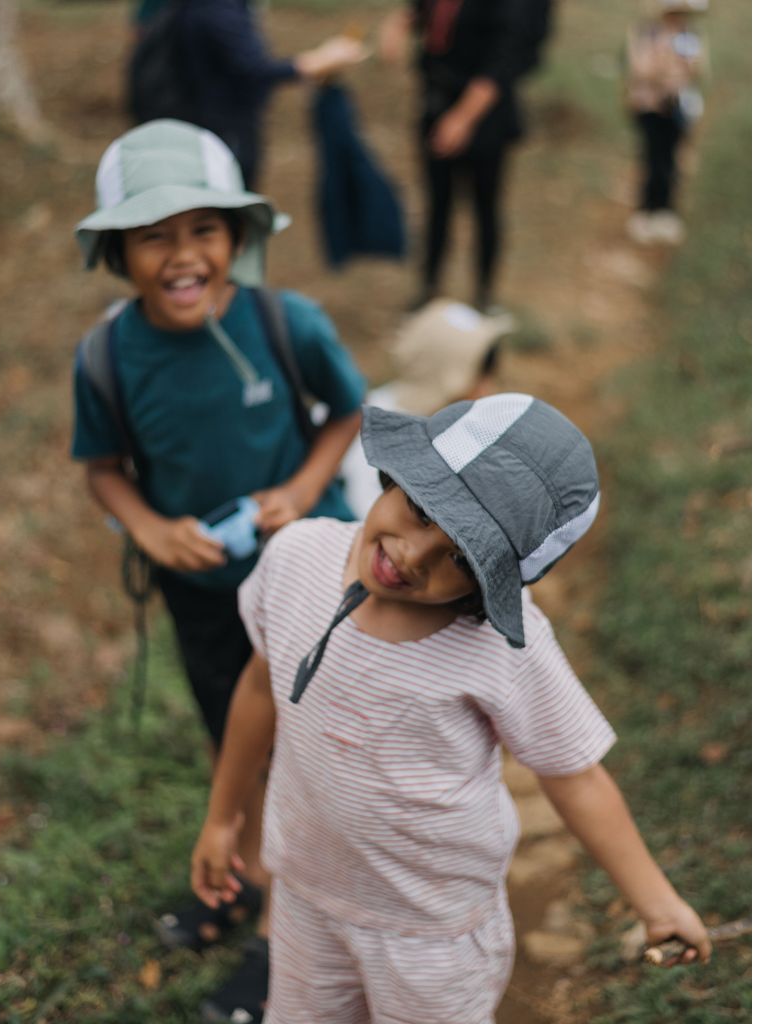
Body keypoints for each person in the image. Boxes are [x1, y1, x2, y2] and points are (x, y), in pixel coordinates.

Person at [191, 393, 712, 1022]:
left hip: (430, 932)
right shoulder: (296, 557)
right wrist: (223, 820)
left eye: (462, 558)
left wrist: (655, 902)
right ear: (395, 474)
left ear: (490, 586)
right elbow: (257, 687)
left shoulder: (499, 651)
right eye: (419, 508)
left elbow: (573, 776)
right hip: (304, 892)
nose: (413, 555)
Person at [70, 118, 366, 1022]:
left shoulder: (288, 322)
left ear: (239, 237)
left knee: (302, 761)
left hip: (308, 581)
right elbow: (104, 470)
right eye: (154, 236)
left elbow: (346, 412)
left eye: (203, 230)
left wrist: (301, 488)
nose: (182, 255)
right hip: (201, 594)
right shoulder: (107, 356)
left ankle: (285, 941)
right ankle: (235, 877)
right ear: (119, 252)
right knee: (230, 740)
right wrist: (153, 531)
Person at [380, 0, 534, 313]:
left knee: (485, 207)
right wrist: (398, 28)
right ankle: (430, 285)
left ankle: (484, 293)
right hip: (437, 105)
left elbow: (502, 63)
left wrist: (463, 119)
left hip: (485, 117)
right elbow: (419, 16)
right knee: (438, 204)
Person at [136, 0, 365, 190]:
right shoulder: (217, 9)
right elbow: (253, 69)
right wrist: (319, 61)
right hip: (221, 129)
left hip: (206, 123)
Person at [339, 298, 513, 518]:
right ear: (452, 379)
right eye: (481, 376)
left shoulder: (444, 424)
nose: (489, 388)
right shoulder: (377, 442)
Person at [624, 0, 709, 246]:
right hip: (649, 106)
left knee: (670, 159)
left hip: (677, 108)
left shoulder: (690, 38)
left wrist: (674, 74)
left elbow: (696, 69)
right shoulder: (646, 33)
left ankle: (665, 211)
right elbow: (639, 68)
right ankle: (646, 210)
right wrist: (666, 73)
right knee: (651, 158)